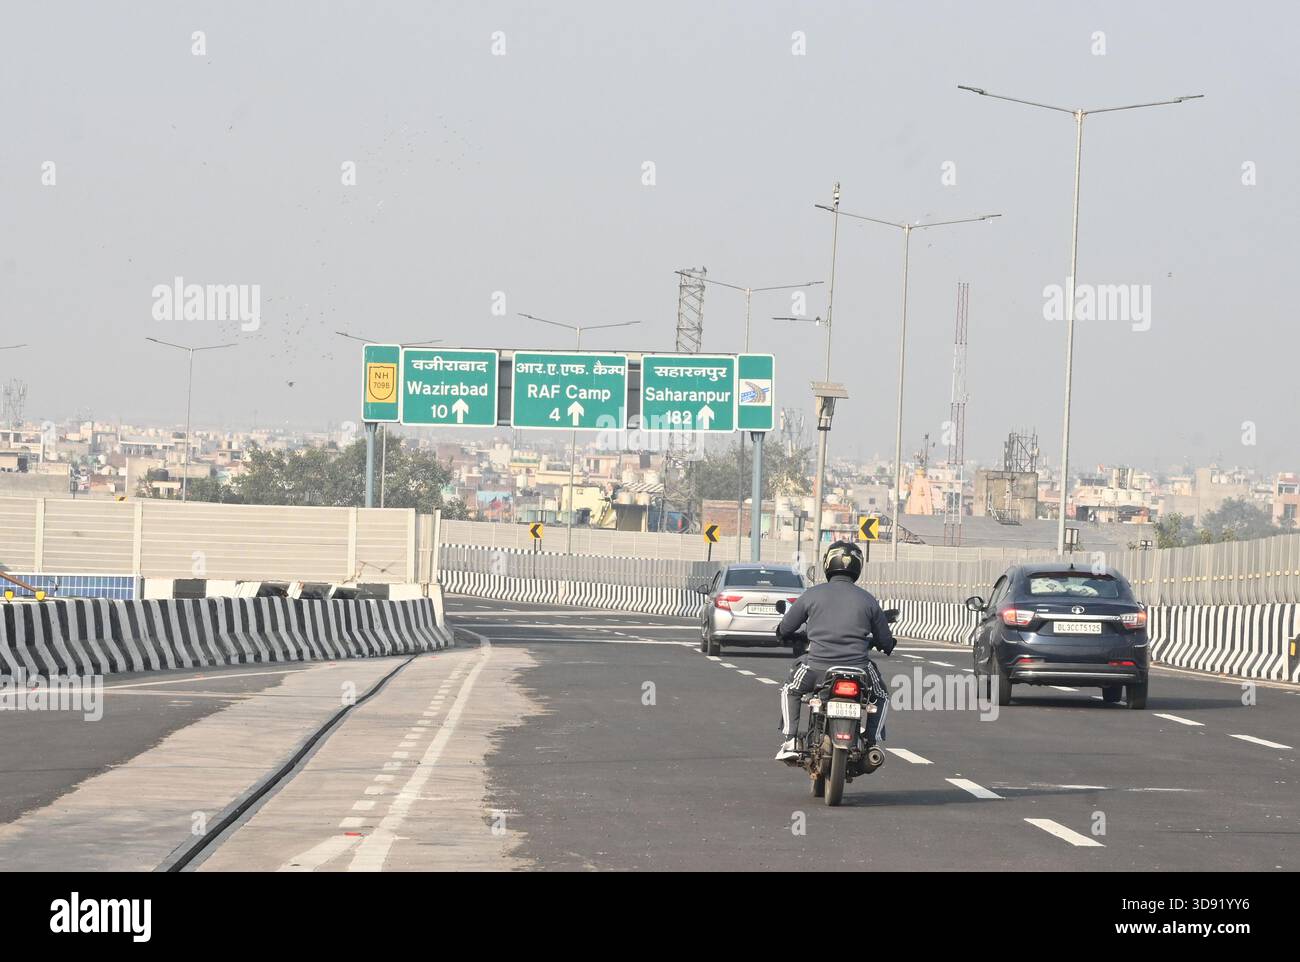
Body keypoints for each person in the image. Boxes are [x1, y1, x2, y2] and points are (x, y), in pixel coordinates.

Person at [774, 541, 894, 762]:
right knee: (882, 696)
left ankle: (791, 740)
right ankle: (872, 742)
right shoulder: (867, 599)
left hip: (816, 667)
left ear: (828, 563)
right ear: (858, 566)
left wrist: (782, 633)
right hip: (859, 669)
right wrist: (887, 644)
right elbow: (885, 639)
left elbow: (787, 626)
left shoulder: (813, 594)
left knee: (790, 690)